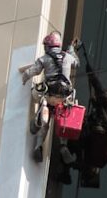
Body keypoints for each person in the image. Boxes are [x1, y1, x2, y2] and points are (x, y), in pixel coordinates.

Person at [20, 32, 79, 162]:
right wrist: (71, 49)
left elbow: (33, 71)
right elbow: (77, 63)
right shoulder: (68, 57)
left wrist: (23, 77)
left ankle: (38, 144)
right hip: (64, 97)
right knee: (63, 122)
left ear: (48, 46)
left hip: (49, 95)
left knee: (37, 95)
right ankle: (63, 145)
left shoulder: (45, 58)